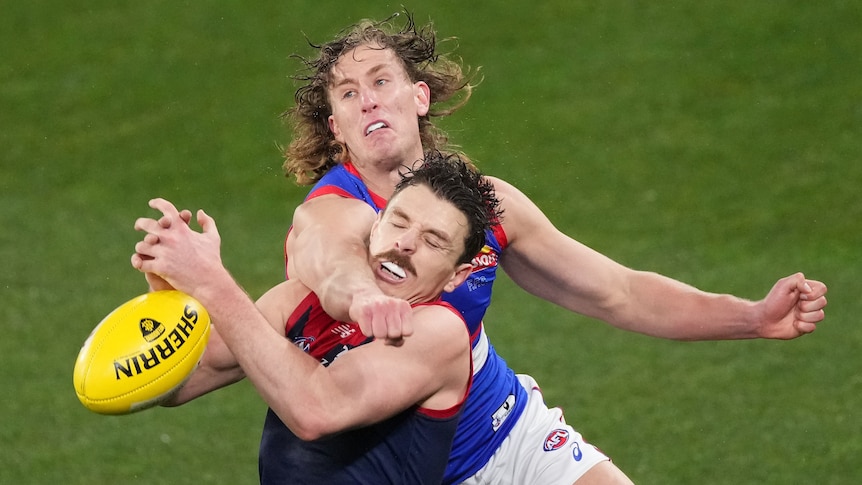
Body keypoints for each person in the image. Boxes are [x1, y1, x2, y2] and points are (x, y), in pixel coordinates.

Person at [281, 13, 829, 485]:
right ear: (338, 129)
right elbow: (333, 265)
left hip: (507, 432)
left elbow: (620, 293)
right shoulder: (332, 210)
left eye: (381, 81)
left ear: (419, 97)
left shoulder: (482, 205)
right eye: (349, 93)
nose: (368, 99)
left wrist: (751, 317)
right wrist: (360, 298)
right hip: (398, 469)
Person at [131, 153, 503, 484]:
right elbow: (176, 384)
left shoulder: (439, 332)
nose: (405, 243)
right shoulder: (300, 301)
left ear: (458, 275)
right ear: (375, 227)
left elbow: (317, 410)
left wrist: (213, 284)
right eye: (398, 222)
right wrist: (171, 297)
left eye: (434, 241)